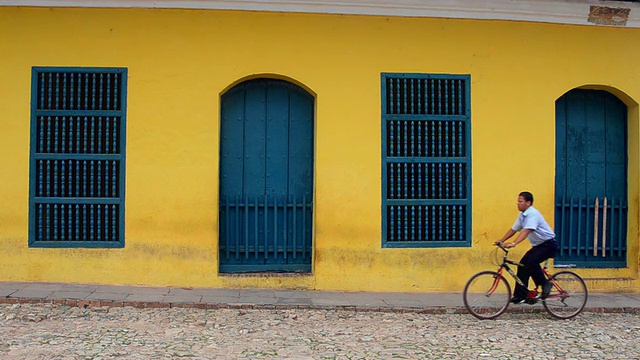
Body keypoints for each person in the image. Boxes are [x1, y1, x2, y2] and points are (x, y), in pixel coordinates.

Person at [495, 191, 558, 304]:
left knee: (530, 261)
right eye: (518, 201)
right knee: (523, 266)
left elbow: (528, 230)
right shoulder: (522, 216)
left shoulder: (533, 214)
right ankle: (521, 295)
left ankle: (545, 284)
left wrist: (514, 243)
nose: (517, 204)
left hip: (548, 245)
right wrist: (502, 240)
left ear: (528, 203)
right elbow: (514, 229)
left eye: (520, 201)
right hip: (539, 246)